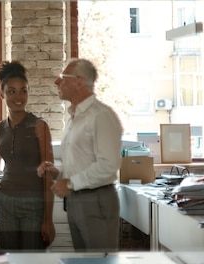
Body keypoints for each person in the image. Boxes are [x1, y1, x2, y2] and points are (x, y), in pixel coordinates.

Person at [38, 58, 122, 252]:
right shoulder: (74, 116)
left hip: (96, 201)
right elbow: (81, 162)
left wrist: (69, 184)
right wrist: (58, 173)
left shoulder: (101, 116)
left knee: (100, 262)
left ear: (80, 81)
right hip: (76, 201)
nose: (57, 82)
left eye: (62, 78)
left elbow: (108, 166)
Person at [0, 60, 56, 251]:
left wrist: (48, 220)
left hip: (33, 205)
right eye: (11, 91)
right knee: (9, 258)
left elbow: (49, 174)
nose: (18, 96)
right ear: (2, 93)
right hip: (5, 203)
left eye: (23, 90)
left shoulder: (39, 126)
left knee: (32, 259)